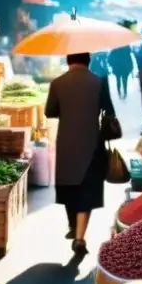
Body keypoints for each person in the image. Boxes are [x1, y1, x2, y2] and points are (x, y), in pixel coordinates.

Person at [44, 53, 116, 255]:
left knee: (70, 186)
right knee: (88, 189)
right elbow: (109, 110)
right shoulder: (99, 81)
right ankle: (80, 238)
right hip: (92, 142)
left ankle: (72, 225)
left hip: (67, 143)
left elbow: (50, 112)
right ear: (88, 61)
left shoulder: (57, 83)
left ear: (68, 61)